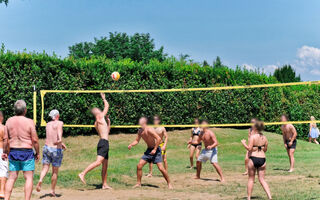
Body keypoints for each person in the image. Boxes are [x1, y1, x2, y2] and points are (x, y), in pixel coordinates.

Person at [2, 100, 40, 200]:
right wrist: (38, 153)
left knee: (11, 177)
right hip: (26, 152)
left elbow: (5, 139)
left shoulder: (9, 121)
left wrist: (5, 152)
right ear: (25, 110)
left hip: (13, 151)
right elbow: (35, 140)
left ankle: (6, 199)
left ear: (15, 110)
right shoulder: (29, 122)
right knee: (28, 178)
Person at [78, 93, 112, 189]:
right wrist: (104, 99)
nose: (100, 110)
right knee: (98, 162)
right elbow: (107, 106)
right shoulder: (100, 117)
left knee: (105, 165)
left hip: (104, 142)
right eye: (98, 110)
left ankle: (104, 184)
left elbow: (106, 132)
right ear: (96, 113)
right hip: (103, 143)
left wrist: (108, 122)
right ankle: (82, 173)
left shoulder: (97, 122)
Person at [128, 117, 173, 189]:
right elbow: (137, 140)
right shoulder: (140, 131)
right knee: (139, 166)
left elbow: (158, 139)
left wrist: (155, 149)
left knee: (161, 168)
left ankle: (169, 184)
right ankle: (138, 183)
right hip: (149, 150)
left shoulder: (149, 129)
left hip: (156, 150)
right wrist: (131, 144)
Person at [36, 109, 66, 197]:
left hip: (46, 148)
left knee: (45, 167)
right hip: (56, 149)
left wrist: (61, 143)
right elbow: (59, 132)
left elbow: (51, 136)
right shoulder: (60, 123)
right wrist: (60, 140)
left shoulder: (48, 124)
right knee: (55, 171)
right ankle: (52, 190)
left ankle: (41, 179)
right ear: (57, 116)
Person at [241, 120, 272, 200]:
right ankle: (269, 197)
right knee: (262, 179)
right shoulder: (265, 138)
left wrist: (244, 143)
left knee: (251, 179)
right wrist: (259, 148)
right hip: (262, 159)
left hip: (253, 159)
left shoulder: (253, 137)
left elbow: (249, 149)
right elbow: (265, 150)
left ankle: (248, 198)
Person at [0, 111, 8, 198]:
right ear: (1, 118)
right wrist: (7, 151)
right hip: (1, 150)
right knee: (3, 170)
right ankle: (2, 191)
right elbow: (6, 141)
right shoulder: (3, 128)